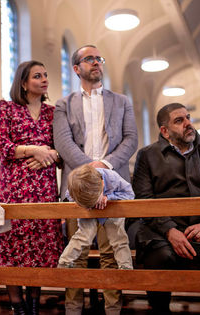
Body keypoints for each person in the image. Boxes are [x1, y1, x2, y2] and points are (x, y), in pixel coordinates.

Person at [54, 44, 138, 315]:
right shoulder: (63, 105)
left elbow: (131, 139)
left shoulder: (122, 101)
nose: (96, 63)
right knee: (75, 254)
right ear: (77, 69)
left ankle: (113, 310)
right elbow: (63, 143)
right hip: (77, 187)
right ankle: (72, 310)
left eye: (98, 58)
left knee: (111, 253)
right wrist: (88, 170)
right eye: (89, 59)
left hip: (112, 185)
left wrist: (104, 165)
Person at [132, 103, 200, 315]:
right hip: (162, 226)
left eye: (188, 118)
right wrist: (170, 230)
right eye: (179, 121)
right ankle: (160, 310)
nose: (188, 124)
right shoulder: (148, 156)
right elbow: (143, 199)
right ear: (164, 131)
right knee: (160, 255)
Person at [0, 60, 64, 315]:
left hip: (44, 189)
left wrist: (49, 153)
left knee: (40, 247)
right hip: (14, 188)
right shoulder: (7, 109)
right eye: (37, 76)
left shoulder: (53, 113)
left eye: (45, 75)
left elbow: (63, 152)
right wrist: (34, 150)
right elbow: (2, 148)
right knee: (12, 247)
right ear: (23, 82)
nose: (44, 80)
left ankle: (33, 303)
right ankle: (17, 306)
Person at [58, 164, 134, 270]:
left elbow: (129, 195)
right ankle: (65, 261)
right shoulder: (75, 184)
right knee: (83, 236)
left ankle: (125, 265)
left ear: (102, 185)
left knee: (118, 238)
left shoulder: (112, 178)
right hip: (88, 211)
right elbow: (69, 196)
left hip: (110, 211)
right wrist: (85, 204)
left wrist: (109, 197)